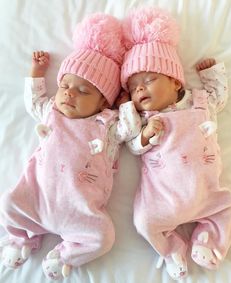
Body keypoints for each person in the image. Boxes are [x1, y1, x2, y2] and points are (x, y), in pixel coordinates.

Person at [0, 13, 141, 280]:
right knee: (7, 203)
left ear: (103, 103)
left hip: (80, 212)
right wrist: (37, 73)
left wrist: (124, 104)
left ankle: (64, 255)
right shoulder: (51, 111)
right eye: (65, 85)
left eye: (83, 91)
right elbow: (34, 101)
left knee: (104, 238)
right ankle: (21, 240)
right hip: (36, 200)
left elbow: (131, 129)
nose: (69, 93)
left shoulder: (107, 124)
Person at [120, 7, 231, 281]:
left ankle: (208, 241)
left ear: (175, 82)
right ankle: (172, 249)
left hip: (206, 192)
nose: (140, 89)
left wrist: (212, 76)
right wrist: (145, 136)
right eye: (133, 87)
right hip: (162, 200)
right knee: (143, 222)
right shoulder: (143, 120)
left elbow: (219, 98)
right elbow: (131, 145)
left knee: (228, 207)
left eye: (149, 80)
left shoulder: (198, 102)